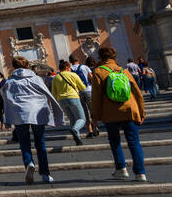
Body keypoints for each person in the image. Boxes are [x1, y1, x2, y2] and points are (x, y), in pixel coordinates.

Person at [1, 55, 65, 184]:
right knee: (40, 143)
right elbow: (47, 94)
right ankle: (45, 174)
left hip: (20, 114)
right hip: (37, 112)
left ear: (14, 67)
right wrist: (57, 114)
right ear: (27, 66)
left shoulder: (9, 82)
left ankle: (29, 163)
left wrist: (6, 119)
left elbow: (6, 99)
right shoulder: (36, 79)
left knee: (24, 143)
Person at [89, 45, 147, 182]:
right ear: (114, 56)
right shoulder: (124, 70)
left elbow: (96, 97)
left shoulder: (98, 72)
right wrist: (141, 112)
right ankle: (141, 173)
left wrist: (95, 117)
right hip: (129, 109)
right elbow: (137, 93)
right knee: (134, 142)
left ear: (100, 57)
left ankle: (121, 169)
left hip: (110, 112)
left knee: (115, 141)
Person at [50, 59, 87, 145]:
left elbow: (53, 93)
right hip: (73, 97)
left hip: (62, 100)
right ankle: (75, 129)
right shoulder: (73, 75)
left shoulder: (56, 78)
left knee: (72, 119)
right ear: (67, 67)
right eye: (69, 68)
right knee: (82, 118)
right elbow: (82, 87)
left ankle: (78, 139)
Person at [72, 55, 98, 137]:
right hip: (88, 89)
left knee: (85, 112)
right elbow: (91, 77)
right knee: (92, 109)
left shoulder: (70, 69)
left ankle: (90, 130)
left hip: (78, 92)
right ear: (78, 59)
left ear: (70, 61)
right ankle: (95, 127)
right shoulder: (84, 67)